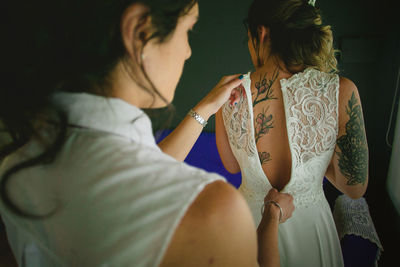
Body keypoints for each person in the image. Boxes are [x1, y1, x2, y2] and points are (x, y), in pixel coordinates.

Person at [0, 1, 295, 266]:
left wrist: (205, 108)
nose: (188, 51)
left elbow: (142, 169)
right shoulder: (211, 212)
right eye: (188, 30)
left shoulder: (17, 161)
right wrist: (271, 218)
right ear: (140, 32)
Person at [215, 0, 369, 266]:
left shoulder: (228, 91)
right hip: (311, 228)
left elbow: (230, 165)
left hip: (247, 227)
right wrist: (318, 160)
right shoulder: (342, 91)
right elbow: (354, 188)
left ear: (261, 33)